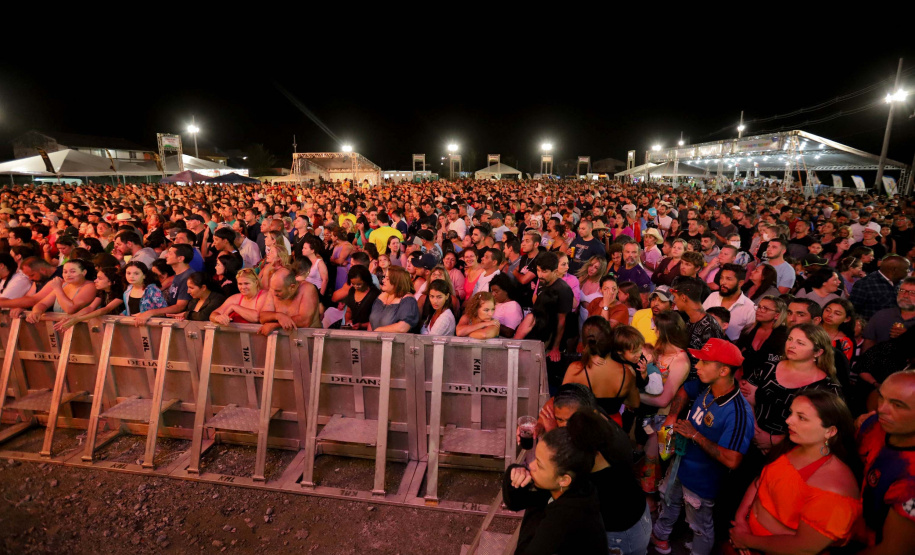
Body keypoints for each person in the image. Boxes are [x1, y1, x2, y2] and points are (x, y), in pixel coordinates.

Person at [651, 338, 755, 555]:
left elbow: (732, 459)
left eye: (704, 362)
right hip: (681, 464)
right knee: (668, 501)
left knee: (699, 527)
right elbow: (684, 391)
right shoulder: (708, 385)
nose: (696, 366)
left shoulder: (738, 413)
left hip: (701, 482)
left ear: (724, 370)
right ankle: (660, 537)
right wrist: (671, 417)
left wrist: (694, 434)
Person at [730, 390, 862, 554]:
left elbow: (804, 547)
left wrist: (746, 540)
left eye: (802, 417)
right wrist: (742, 520)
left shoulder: (834, 489)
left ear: (830, 431)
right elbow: (760, 481)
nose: (788, 420)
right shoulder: (792, 446)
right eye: (791, 413)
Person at [503, 412, 609, 554]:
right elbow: (515, 502)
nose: (531, 465)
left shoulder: (564, 519)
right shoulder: (560, 486)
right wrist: (514, 473)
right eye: (536, 458)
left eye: (539, 465)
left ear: (564, 479)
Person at [856, 371, 915, 553]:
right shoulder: (874, 424)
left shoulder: (911, 480)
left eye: (897, 405)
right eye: (882, 397)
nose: (882, 408)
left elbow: (891, 550)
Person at [563, 318, 641, 425]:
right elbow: (635, 403)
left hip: (585, 426)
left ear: (586, 341)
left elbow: (562, 401)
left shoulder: (576, 369)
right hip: (613, 428)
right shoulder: (626, 371)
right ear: (610, 339)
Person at [52, 266, 125, 332]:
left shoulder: (120, 293)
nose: (95, 281)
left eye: (99, 279)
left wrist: (78, 319)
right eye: (96, 278)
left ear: (111, 282)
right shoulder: (102, 291)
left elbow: (105, 309)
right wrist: (71, 317)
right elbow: (90, 307)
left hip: (122, 327)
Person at [25, 259, 97, 323]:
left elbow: (70, 309)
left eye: (73, 272)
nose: (68, 275)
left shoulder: (90, 286)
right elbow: (42, 304)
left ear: (84, 272)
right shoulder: (63, 285)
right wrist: (36, 312)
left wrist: (57, 289)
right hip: (61, 327)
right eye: (65, 272)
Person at [259, 267, 321, 335]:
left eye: (278, 291)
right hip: (284, 341)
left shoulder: (308, 289)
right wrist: (278, 316)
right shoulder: (274, 290)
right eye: (272, 289)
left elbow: (305, 321)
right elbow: (262, 317)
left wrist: (275, 325)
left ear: (292, 287)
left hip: (308, 339)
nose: (274, 293)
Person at [701, 263, 756, 340]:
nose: (723, 282)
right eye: (721, 278)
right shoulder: (713, 296)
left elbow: (747, 338)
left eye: (728, 279)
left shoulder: (750, 308)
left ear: (740, 283)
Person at [850, 255, 911, 319]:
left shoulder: (902, 283)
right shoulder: (865, 284)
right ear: (894, 270)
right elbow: (853, 311)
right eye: (906, 269)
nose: (908, 271)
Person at [863, 276, 915, 350]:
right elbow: (868, 343)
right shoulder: (881, 316)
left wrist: (908, 337)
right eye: (902, 290)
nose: (905, 296)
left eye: (912, 293)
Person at [367, 265, 420, 333]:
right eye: (384, 277)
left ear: (397, 281)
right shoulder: (381, 296)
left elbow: (402, 328)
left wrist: (377, 331)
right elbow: (371, 322)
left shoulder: (408, 300)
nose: (383, 280)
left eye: (387, 279)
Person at [489, 273, 523, 338]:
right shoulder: (495, 303)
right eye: (492, 291)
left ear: (506, 290)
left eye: (496, 291)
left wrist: (488, 322)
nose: (493, 294)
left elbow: (509, 332)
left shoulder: (513, 306)